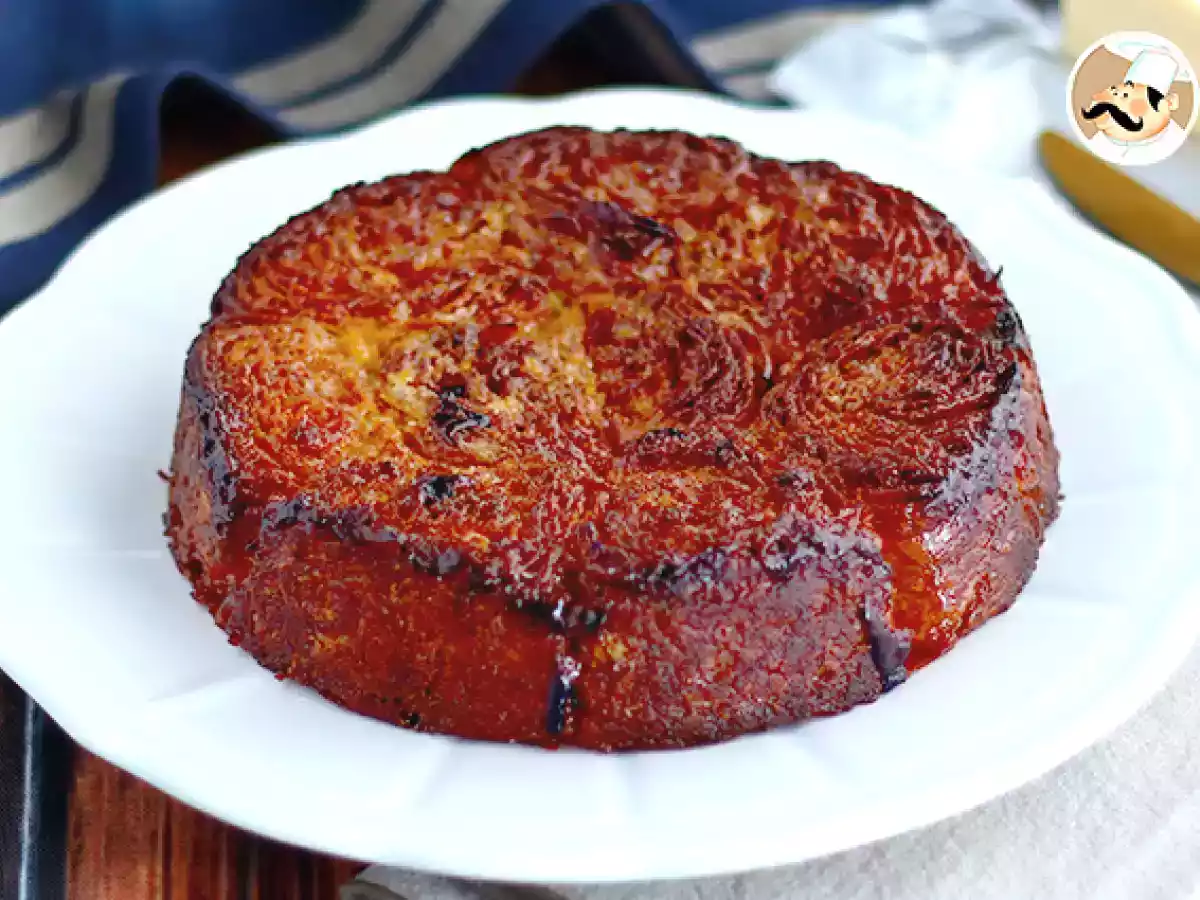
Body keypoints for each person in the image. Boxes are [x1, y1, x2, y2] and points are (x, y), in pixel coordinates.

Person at [1081, 45, 1191, 167]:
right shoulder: (1104, 137)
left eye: (1126, 96)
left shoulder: (1173, 142)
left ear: (1170, 103)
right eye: (1115, 92)